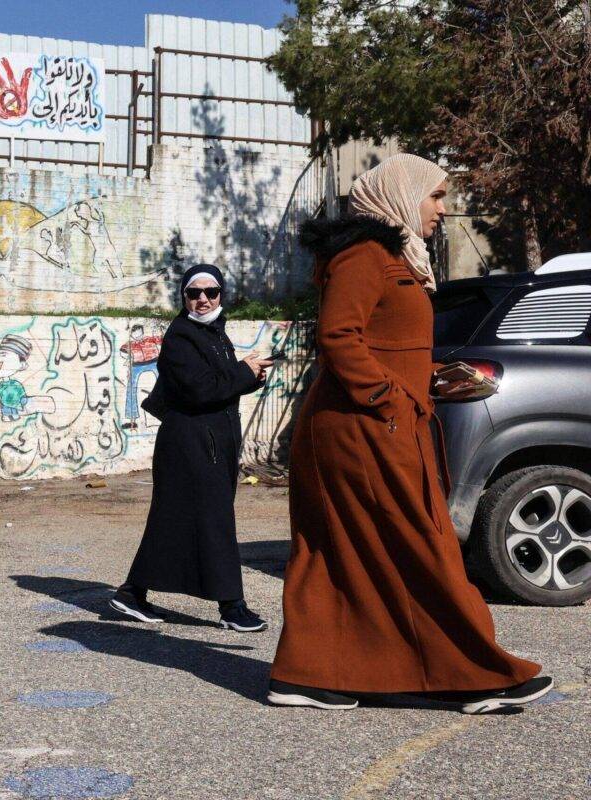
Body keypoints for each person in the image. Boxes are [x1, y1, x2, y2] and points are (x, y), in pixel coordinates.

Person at [269, 154, 551, 713]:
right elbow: (338, 337)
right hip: (361, 430)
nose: (443, 211)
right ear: (402, 196)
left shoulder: (396, 256)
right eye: (436, 197)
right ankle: (476, 674)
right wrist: (392, 399)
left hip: (384, 423)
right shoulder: (364, 255)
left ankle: (305, 675)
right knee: (421, 544)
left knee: (341, 553)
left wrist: (435, 380)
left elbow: (386, 346)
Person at [109, 264, 273, 631]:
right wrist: (243, 372)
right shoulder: (181, 336)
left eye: (210, 292)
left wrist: (252, 377)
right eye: (194, 293)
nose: (202, 299)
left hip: (210, 441)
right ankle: (232, 607)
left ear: (221, 295)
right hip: (191, 444)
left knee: (173, 521)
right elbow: (198, 390)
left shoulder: (215, 333)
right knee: (215, 521)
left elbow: (219, 384)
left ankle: (132, 594)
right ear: (183, 298)